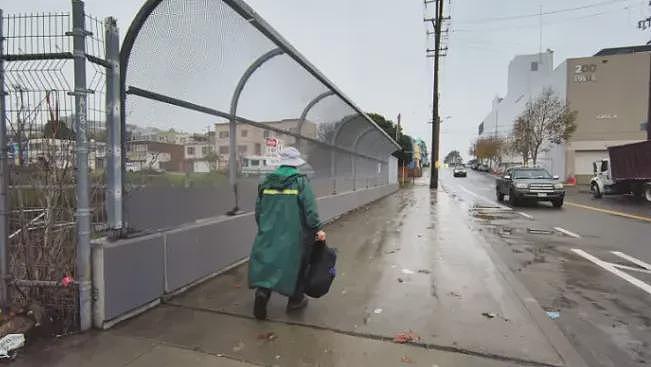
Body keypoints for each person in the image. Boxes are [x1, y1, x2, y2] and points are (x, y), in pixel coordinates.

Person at [248, 147, 326, 320]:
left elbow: (258, 210)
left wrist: (264, 227)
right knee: (298, 263)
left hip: (269, 231)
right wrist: (317, 228)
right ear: (295, 164)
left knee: (268, 263)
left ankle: (263, 293)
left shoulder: (266, 181)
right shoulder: (300, 182)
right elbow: (310, 209)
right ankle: (295, 300)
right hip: (294, 233)